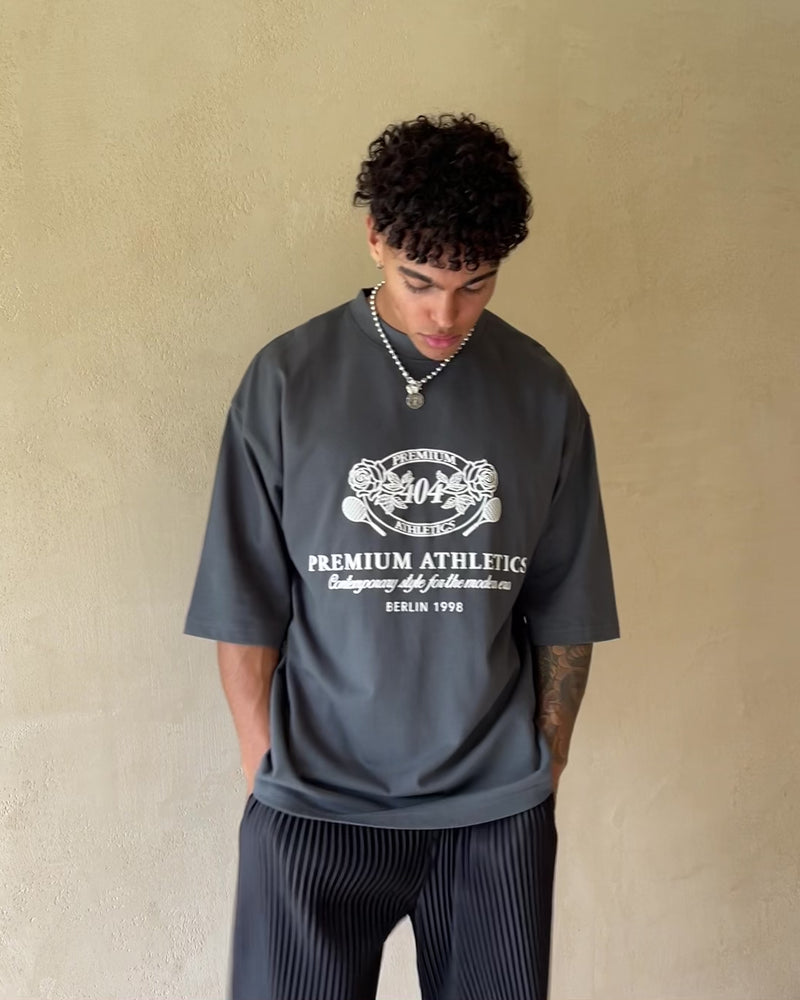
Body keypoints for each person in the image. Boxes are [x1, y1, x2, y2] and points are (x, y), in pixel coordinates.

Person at [184, 112, 619, 1000]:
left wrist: (548, 759)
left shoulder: (541, 392)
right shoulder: (287, 381)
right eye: (421, 282)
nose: (445, 314)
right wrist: (261, 761)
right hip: (314, 801)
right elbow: (244, 596)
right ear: (375, 238)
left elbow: (566, 602)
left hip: (493, 811)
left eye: (475, 285)